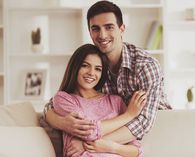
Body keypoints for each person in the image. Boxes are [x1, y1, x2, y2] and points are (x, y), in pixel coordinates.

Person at [44, 0, 172, 156]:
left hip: (154, 130)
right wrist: (64, 123)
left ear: (121, 28)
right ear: (90, 32)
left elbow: (143, 121)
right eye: (95, 29)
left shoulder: (145, 66)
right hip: (110, 135)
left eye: (109, 27)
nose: (102, 35)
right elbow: (51, 106)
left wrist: (89, 144)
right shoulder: (95, 68)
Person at [52, 44, 145, 157]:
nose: (91, 73)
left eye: (98, 69)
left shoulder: (116, 102)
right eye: (85, 65)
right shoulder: (63, 99)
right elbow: (89, 132)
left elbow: (136, 151)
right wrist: (128, 115)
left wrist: (111, 147)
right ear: (75, 67)